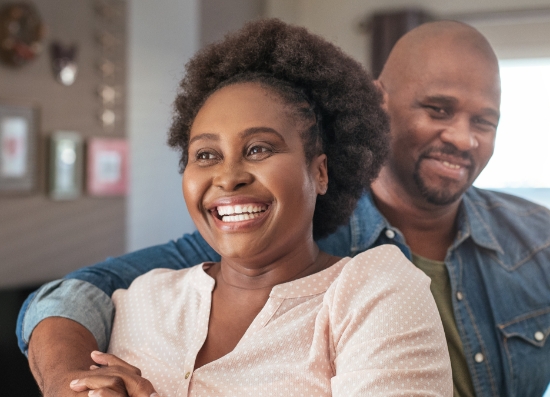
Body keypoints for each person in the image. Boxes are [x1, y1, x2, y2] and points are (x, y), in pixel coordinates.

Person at [18, 20, 550, 397]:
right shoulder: (167, 287)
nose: (462, 137)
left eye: (486, 122)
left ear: (319, 170)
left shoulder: (533, 242)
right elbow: (72, 295)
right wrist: (74, 381)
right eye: (438, 109)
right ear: (380, 101)